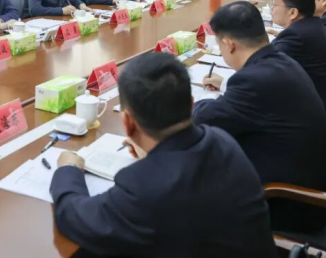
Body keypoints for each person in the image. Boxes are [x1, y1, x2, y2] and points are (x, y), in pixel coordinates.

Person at [51, 52, 276, 257]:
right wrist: (152, 155)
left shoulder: (142, 188)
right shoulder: (223, 141)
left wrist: (68, 169)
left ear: (127, 122)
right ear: (191, 105)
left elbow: (72, 217)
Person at [193, 1, 326, 232]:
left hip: (286, 204)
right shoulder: (281, 61)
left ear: (229, 44)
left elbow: (204, 119)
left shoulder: (253, 80)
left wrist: (194, 103)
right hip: (304, 189)